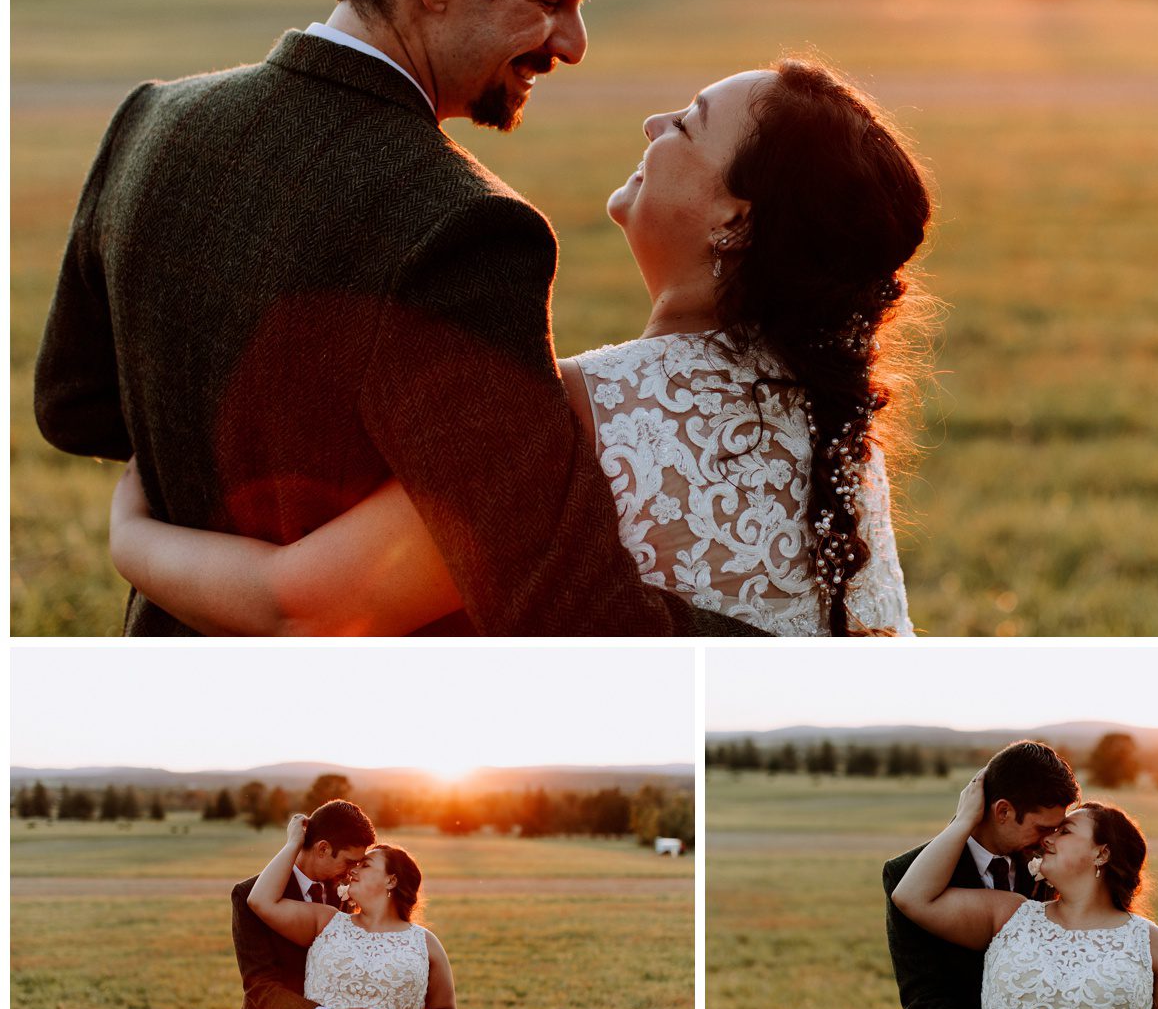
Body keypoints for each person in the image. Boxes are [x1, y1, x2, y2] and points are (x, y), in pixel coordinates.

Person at [33, 0, 761, 637]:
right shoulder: (464, 228)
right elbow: (554, 587)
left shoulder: (150, 119)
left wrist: (171, 507)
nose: (573, 43)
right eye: (552, 0)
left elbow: (74, 407)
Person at [108, 58, 933, 635]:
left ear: (735, 220)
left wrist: (129, 527)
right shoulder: (838, 432)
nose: (654, 122)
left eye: (687, 122)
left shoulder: (591, 412)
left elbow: (304, 606)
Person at [891, 769, 1158, 1009]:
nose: (1046, 839)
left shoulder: (1149, 941)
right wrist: (964, 821)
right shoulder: (1008, 914)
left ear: (1102, 853)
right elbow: (912, 896)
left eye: (1065, 831)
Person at [882, 741, 1080, 1009]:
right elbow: (925, 1003)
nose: (1049, 841)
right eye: (1041, 828)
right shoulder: (906, 876)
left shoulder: (1049, 864)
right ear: (1003, 811)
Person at [248, 812, 455, 1009]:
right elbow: (260, 901)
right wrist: (295, 842)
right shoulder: (327, 921)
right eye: (354, 864)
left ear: (391, 880)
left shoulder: (425, 942)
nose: (352, 871)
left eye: (365, 865)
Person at [232, 799, 376, 1009]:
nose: (353, 873)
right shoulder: (248, 895)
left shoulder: (350, 892)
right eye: (349, 862)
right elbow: (261, 987)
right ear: (322, 848)